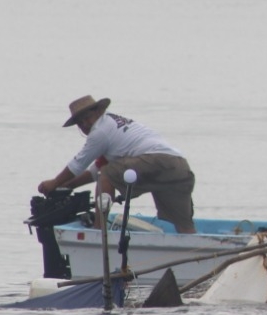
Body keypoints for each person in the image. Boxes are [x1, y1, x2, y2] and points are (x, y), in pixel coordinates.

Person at [38, 95, 198, 234]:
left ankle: (99, 231)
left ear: (98, 112)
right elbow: (96, 170)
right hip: (178, 166)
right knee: (184, 227)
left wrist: (54, 182)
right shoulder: (113, 126)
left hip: (156, 161)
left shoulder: (100, 131)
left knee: (107, 174)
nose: (84, 124)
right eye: (80, 123)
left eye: (87, 118)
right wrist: (68, 186)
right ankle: (194, 256)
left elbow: (78, 165)